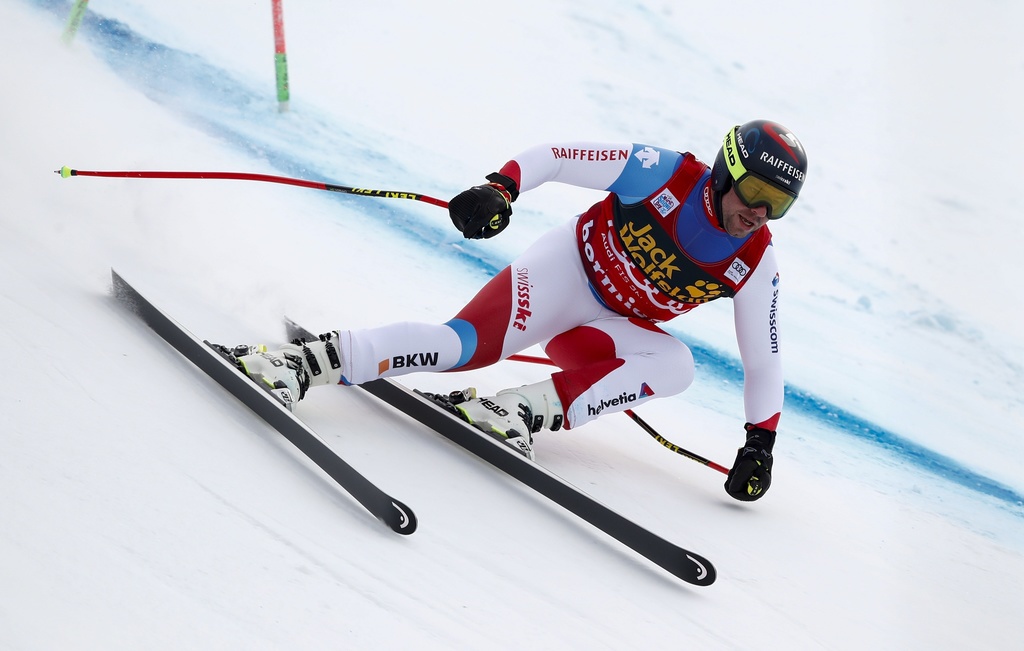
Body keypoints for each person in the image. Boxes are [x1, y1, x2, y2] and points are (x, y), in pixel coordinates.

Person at [222, 119, 808, 502]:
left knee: (676, 365)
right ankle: (300, 362)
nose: (760, 213)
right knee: (461, 348)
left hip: (606, 329)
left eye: (778, 203)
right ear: (727, 170)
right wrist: (501, 188)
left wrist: (761, 443)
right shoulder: (665, 173)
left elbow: (764, 362)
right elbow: (557, 155)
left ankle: (516, 413)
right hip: (565, 273)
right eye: (756, 192)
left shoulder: (756, 262)